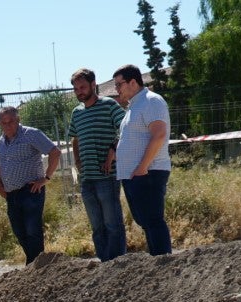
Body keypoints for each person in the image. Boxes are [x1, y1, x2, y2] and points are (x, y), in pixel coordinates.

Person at [67, 68, 127, 261]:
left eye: (82, 87)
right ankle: (104, 264)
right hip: (87, 178)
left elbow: (126, 129)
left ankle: (118, 264)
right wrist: (77, 161)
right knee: (96, 227)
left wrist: (112, 151)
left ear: (94, 85)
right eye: (76, 89)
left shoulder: (109, 105)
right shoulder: (77, 113)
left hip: (107, 176)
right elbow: (74, 138)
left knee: (112, 223)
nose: (79, 92)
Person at [113, 64, 172, 255]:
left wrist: (142, 167)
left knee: (153, 220)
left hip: (148, 173)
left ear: (132, 82)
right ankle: (158, 262)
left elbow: (159, 135)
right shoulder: (134, 106)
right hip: (135, 174)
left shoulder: (151, 101)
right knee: (145, 221)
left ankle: (164, 262)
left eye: (119, 85)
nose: (117, 90)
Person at [0, 106, 61, 264]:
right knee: (18, 230)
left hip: (31, 190)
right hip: (11, 194)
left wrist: (46, 178)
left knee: (32, 230)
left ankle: (35, 266)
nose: (7, 125)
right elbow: (1, 162)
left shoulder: (31, 134)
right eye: (3, 122)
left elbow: (55, 152)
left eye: (11, 121)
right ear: (0, 124)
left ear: (18, 120)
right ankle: (35, 263)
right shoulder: (1, 141)